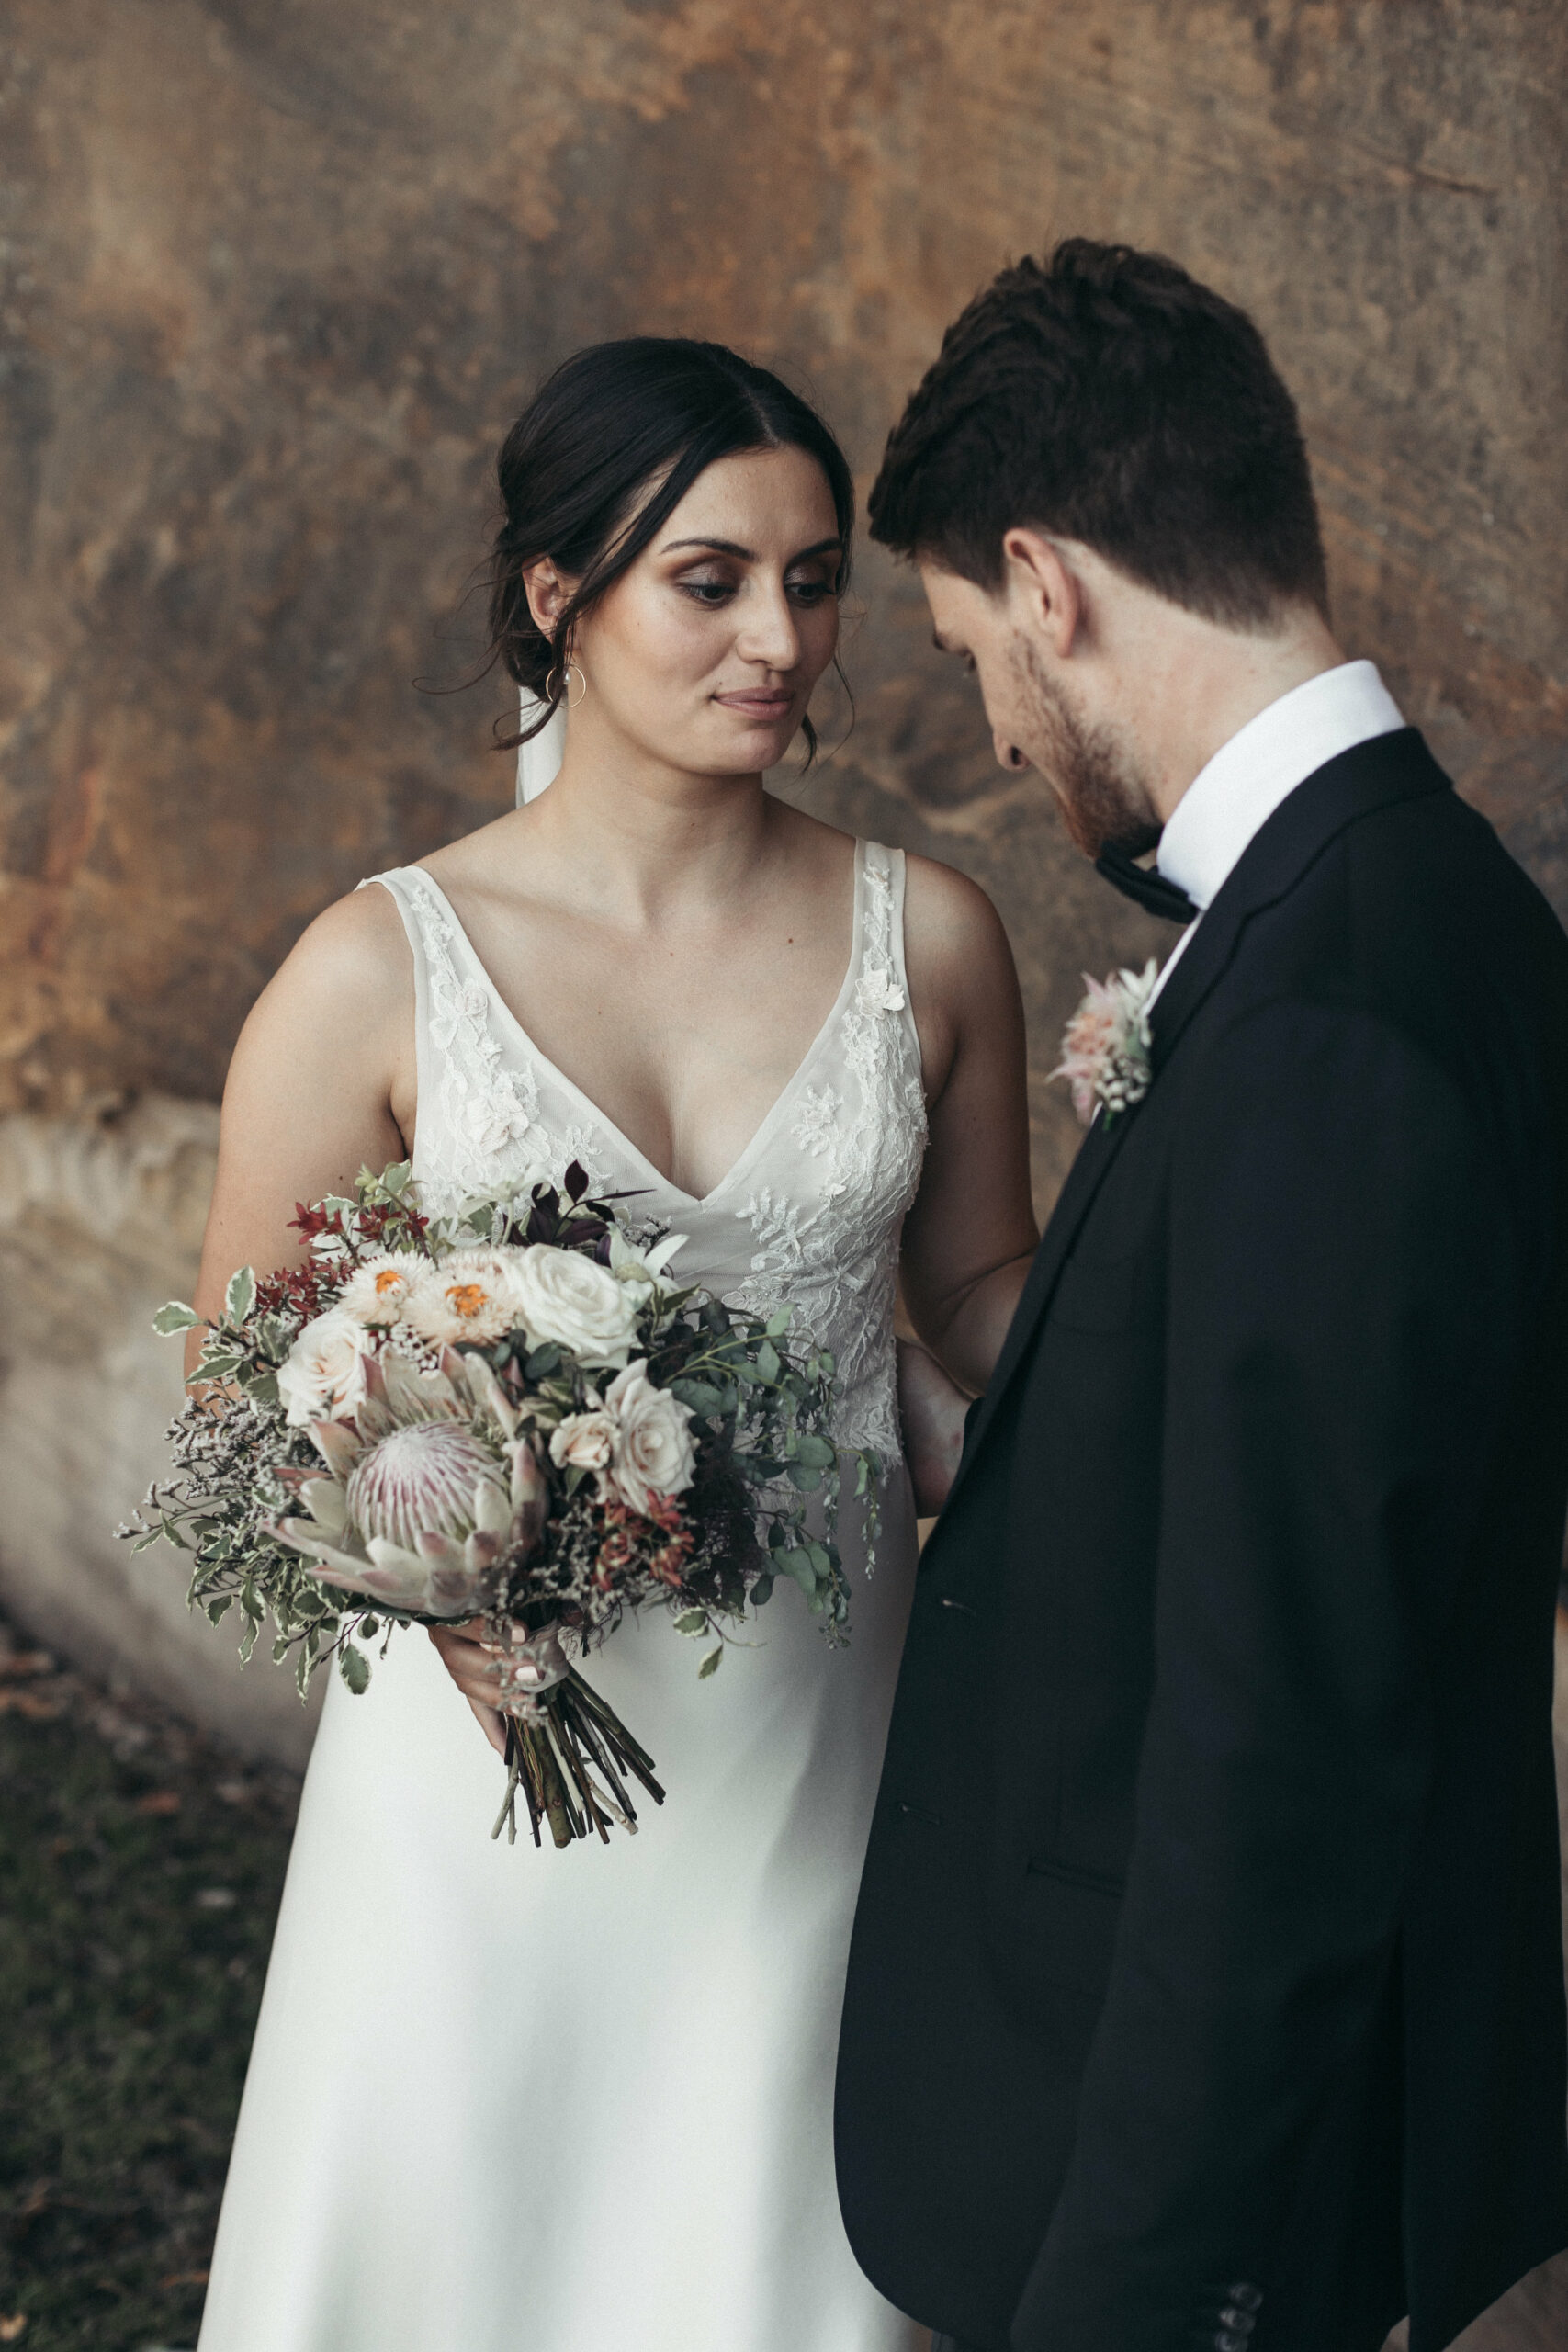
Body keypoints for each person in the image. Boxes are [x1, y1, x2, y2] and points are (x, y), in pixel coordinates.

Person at [191, 335, 1036, 2352]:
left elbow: (984, 1296)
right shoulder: (370, 972)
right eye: (712, 578)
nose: (780, 636)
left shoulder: (925, 937)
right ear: (558, 595)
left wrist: (1185, 1273)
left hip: (813, 1760)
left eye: (815, 579)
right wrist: (455, 1563)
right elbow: (245, 1392)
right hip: (475, 1765)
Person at [834, 241, 1568, 2352]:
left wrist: (1143, 2302)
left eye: (971, 642)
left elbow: (1279, 1751)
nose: (985, 722)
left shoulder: (1325, 1014)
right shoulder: (1410, 915)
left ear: (1046, 584)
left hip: (1187, 2222)